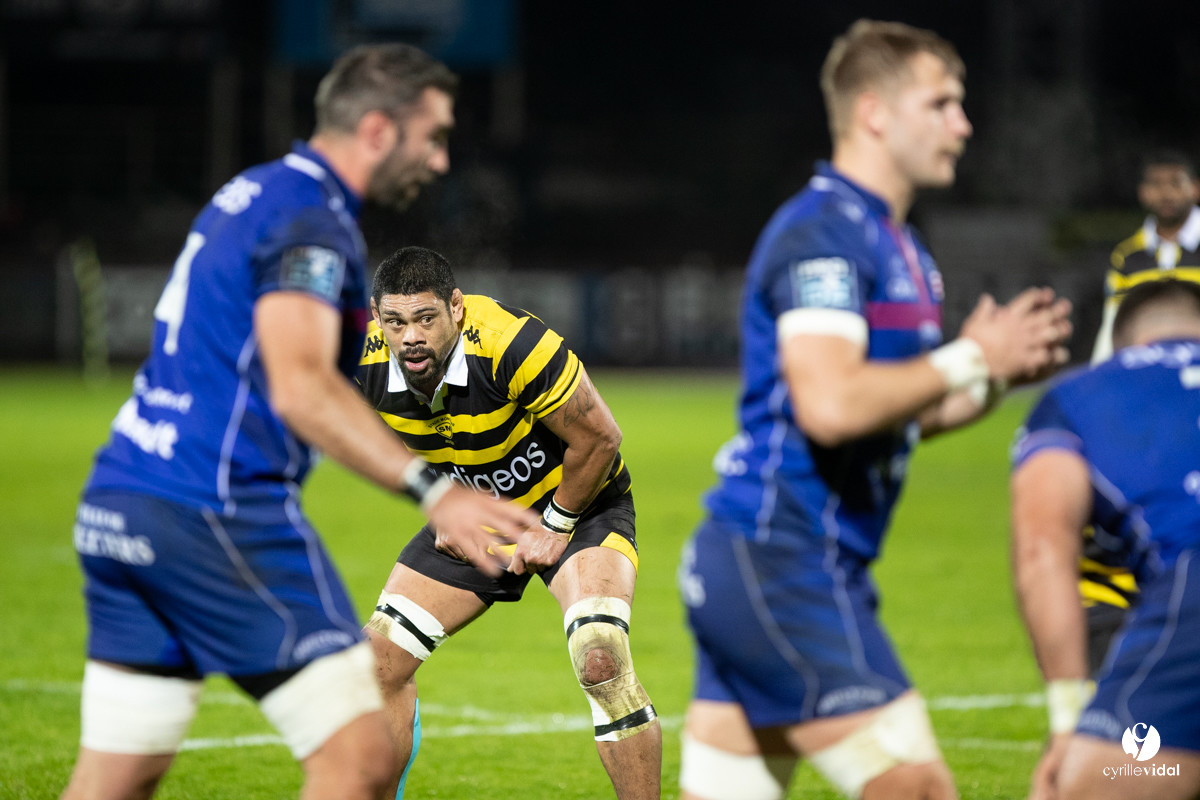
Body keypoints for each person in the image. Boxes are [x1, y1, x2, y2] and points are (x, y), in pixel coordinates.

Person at [61, 44, 537, 800]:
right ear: (378, 130)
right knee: (361, 759)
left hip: (122, 501)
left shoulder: (251, 192)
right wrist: (435, 491)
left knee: (117, 775)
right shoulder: (309, 219)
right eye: (434, 137)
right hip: (214, 510)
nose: (441, 161)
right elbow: (303, 386)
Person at [676, 19, 1073, 800]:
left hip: (792, 567)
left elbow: (894, 413)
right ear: (874, 113)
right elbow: (830, 407)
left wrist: (992, 377)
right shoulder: (824, 233)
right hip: (780, 561)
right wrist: (970, 356)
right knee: (917, 788)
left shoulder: (901, 247)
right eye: (942, 103)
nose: (963, 124)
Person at [355, 245, 661, 799]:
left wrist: (556, 523)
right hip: (479, 515)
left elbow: (600, 437)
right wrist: (440, 502)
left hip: (579, 505)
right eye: (395, 322)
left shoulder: (513, 344)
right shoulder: (361, 361)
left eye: (426, 318)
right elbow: (354, 434)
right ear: (376, 316)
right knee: (374, 667)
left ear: (456, 307)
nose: (411, 337)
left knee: (600, 656)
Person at [1012, 279, 1200, 800]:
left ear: (1121, 345)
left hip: (1190, 581)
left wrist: (1066, 721)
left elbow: (1042, 550)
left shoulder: (1080, 395)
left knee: (1089, 784)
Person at [1091, 150, 1200, 364]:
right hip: (1145, 368)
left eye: (1176, 183)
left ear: (1195, 188)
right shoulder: (1127, 254)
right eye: (1156, 184)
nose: (1166, 193)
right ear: (1143, 193)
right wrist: (1102, 371)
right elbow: (1113, 320)